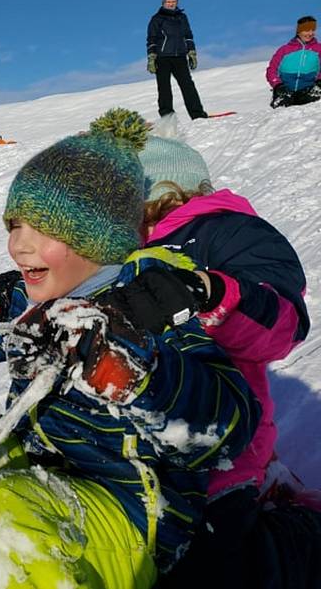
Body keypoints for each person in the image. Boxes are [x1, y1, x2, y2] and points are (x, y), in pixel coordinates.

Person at [0, 110, 259, 589]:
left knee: (0, 508)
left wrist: (136, 373)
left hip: (132, 514)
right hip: (44, 471)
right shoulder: (37, 299)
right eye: (14, 227)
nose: (19, 246)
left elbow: (230, 426)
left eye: (44, 231)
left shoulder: (148, 301)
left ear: (98, 237)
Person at [97, 130, 321, 588]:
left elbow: (283, 325)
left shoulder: (223, 230)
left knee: (213, 565)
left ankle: (298, 540)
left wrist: (209, 292)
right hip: (133, 445)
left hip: (218, 446)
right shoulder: (117, 254)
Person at [147, 0, 208, 120]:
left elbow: (188, 36)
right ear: (163, 2)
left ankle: (197, 114)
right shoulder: (157, 19)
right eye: (168, 1)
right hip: (162, 58)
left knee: (188, 86)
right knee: (164, 88)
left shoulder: (182, 17)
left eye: (173, 1)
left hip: (180, 56)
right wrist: (151, 57)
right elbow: (151, 39)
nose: (171, 4)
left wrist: (191, 52)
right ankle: (167, 117)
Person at [266, 16, 321, 109]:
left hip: (308, 91)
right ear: (298, 31)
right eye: (306, 30)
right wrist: (278, 85)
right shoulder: (284, 50)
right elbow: (272, 70)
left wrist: (319, 82)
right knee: (283, 112)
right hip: (285, 91)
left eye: (312, 30)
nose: (310, 33)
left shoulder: (319, 49)